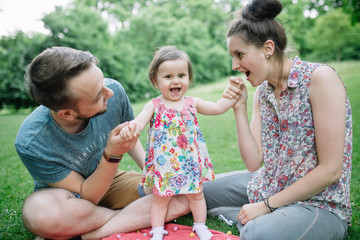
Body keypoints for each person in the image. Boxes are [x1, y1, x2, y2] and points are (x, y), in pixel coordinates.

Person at [203, 0, 353, 239]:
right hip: (269, 186)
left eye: (239, 55)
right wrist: (239, 109)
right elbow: (254, 162)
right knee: (198, 191)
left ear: (268, 48)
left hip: (318, 205)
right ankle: (250, 213)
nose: (234, 65)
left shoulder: (319, 79)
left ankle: (247, 216)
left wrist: (265, 206)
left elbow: (331, 171)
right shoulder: (263, 93)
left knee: (256, 233)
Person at [14, 46, 190, 240]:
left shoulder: (113, 90)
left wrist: (152, 175)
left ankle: (85, 233)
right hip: (65, 197)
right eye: (98, 95)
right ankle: (127, 217)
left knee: (180, 196)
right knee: (42, 216)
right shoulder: (31, 142)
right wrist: (112, 155)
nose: (110, 93)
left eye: (102, 81)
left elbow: (131, 141)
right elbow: (88, 196)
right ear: (67, 113)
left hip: (111, 182)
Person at [120, 46, 237, 240]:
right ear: (155, 81)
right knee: (160, 198)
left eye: (181, 75)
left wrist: (231, 95)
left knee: (196, 195)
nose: (176, 80)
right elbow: (139, 122)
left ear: (189, 78)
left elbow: (217, 107)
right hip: (164, 164)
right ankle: (158, 231)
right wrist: (130, 128)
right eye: (168, 77)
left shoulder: (192, 102)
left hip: (189, 162)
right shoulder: (154, 105)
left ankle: (200, 226)